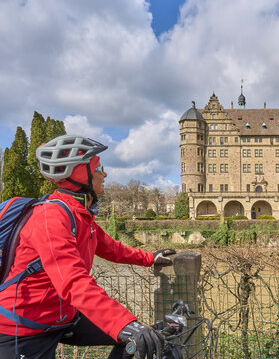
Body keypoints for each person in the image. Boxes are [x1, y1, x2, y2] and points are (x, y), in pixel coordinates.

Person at [0, 135, 175, 359]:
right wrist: (125, 323)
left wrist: (150, 257)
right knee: (129, 330)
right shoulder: (50, 217)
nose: (104, 174)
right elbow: (72, 281)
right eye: (99, 167)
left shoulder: (80, 215)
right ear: (79, 174)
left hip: (62, 315)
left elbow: (112, 248)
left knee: (135, 343)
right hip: (24, 327)